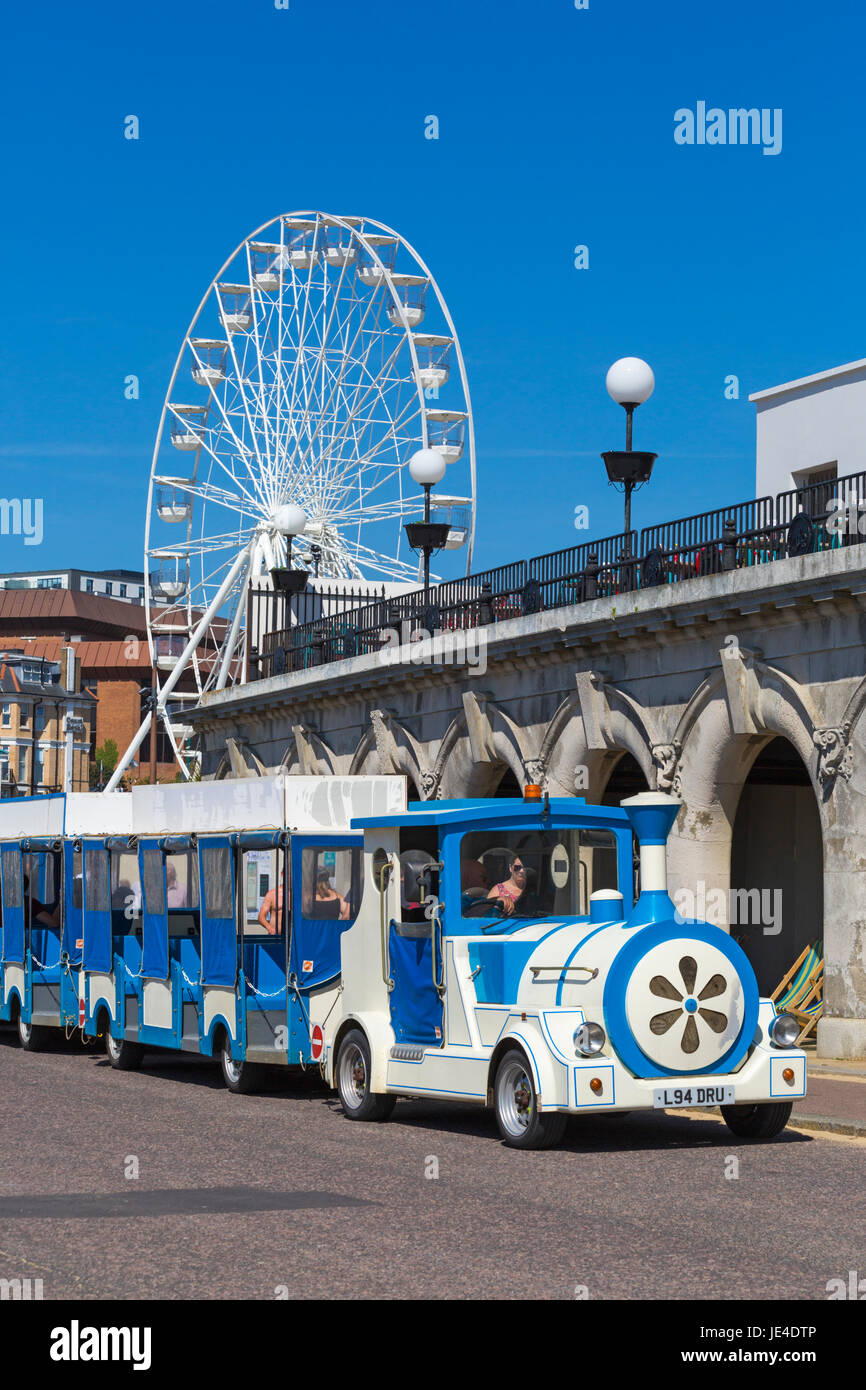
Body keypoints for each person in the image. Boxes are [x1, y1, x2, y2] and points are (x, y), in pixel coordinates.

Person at [258, 872, 286, 936]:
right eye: (288, 874)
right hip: (276, 938)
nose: (290, 877)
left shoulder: (299, 895)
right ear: (282, 874)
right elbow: (261, 917)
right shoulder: (272, 894)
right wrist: (269, 928)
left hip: (294, 940)